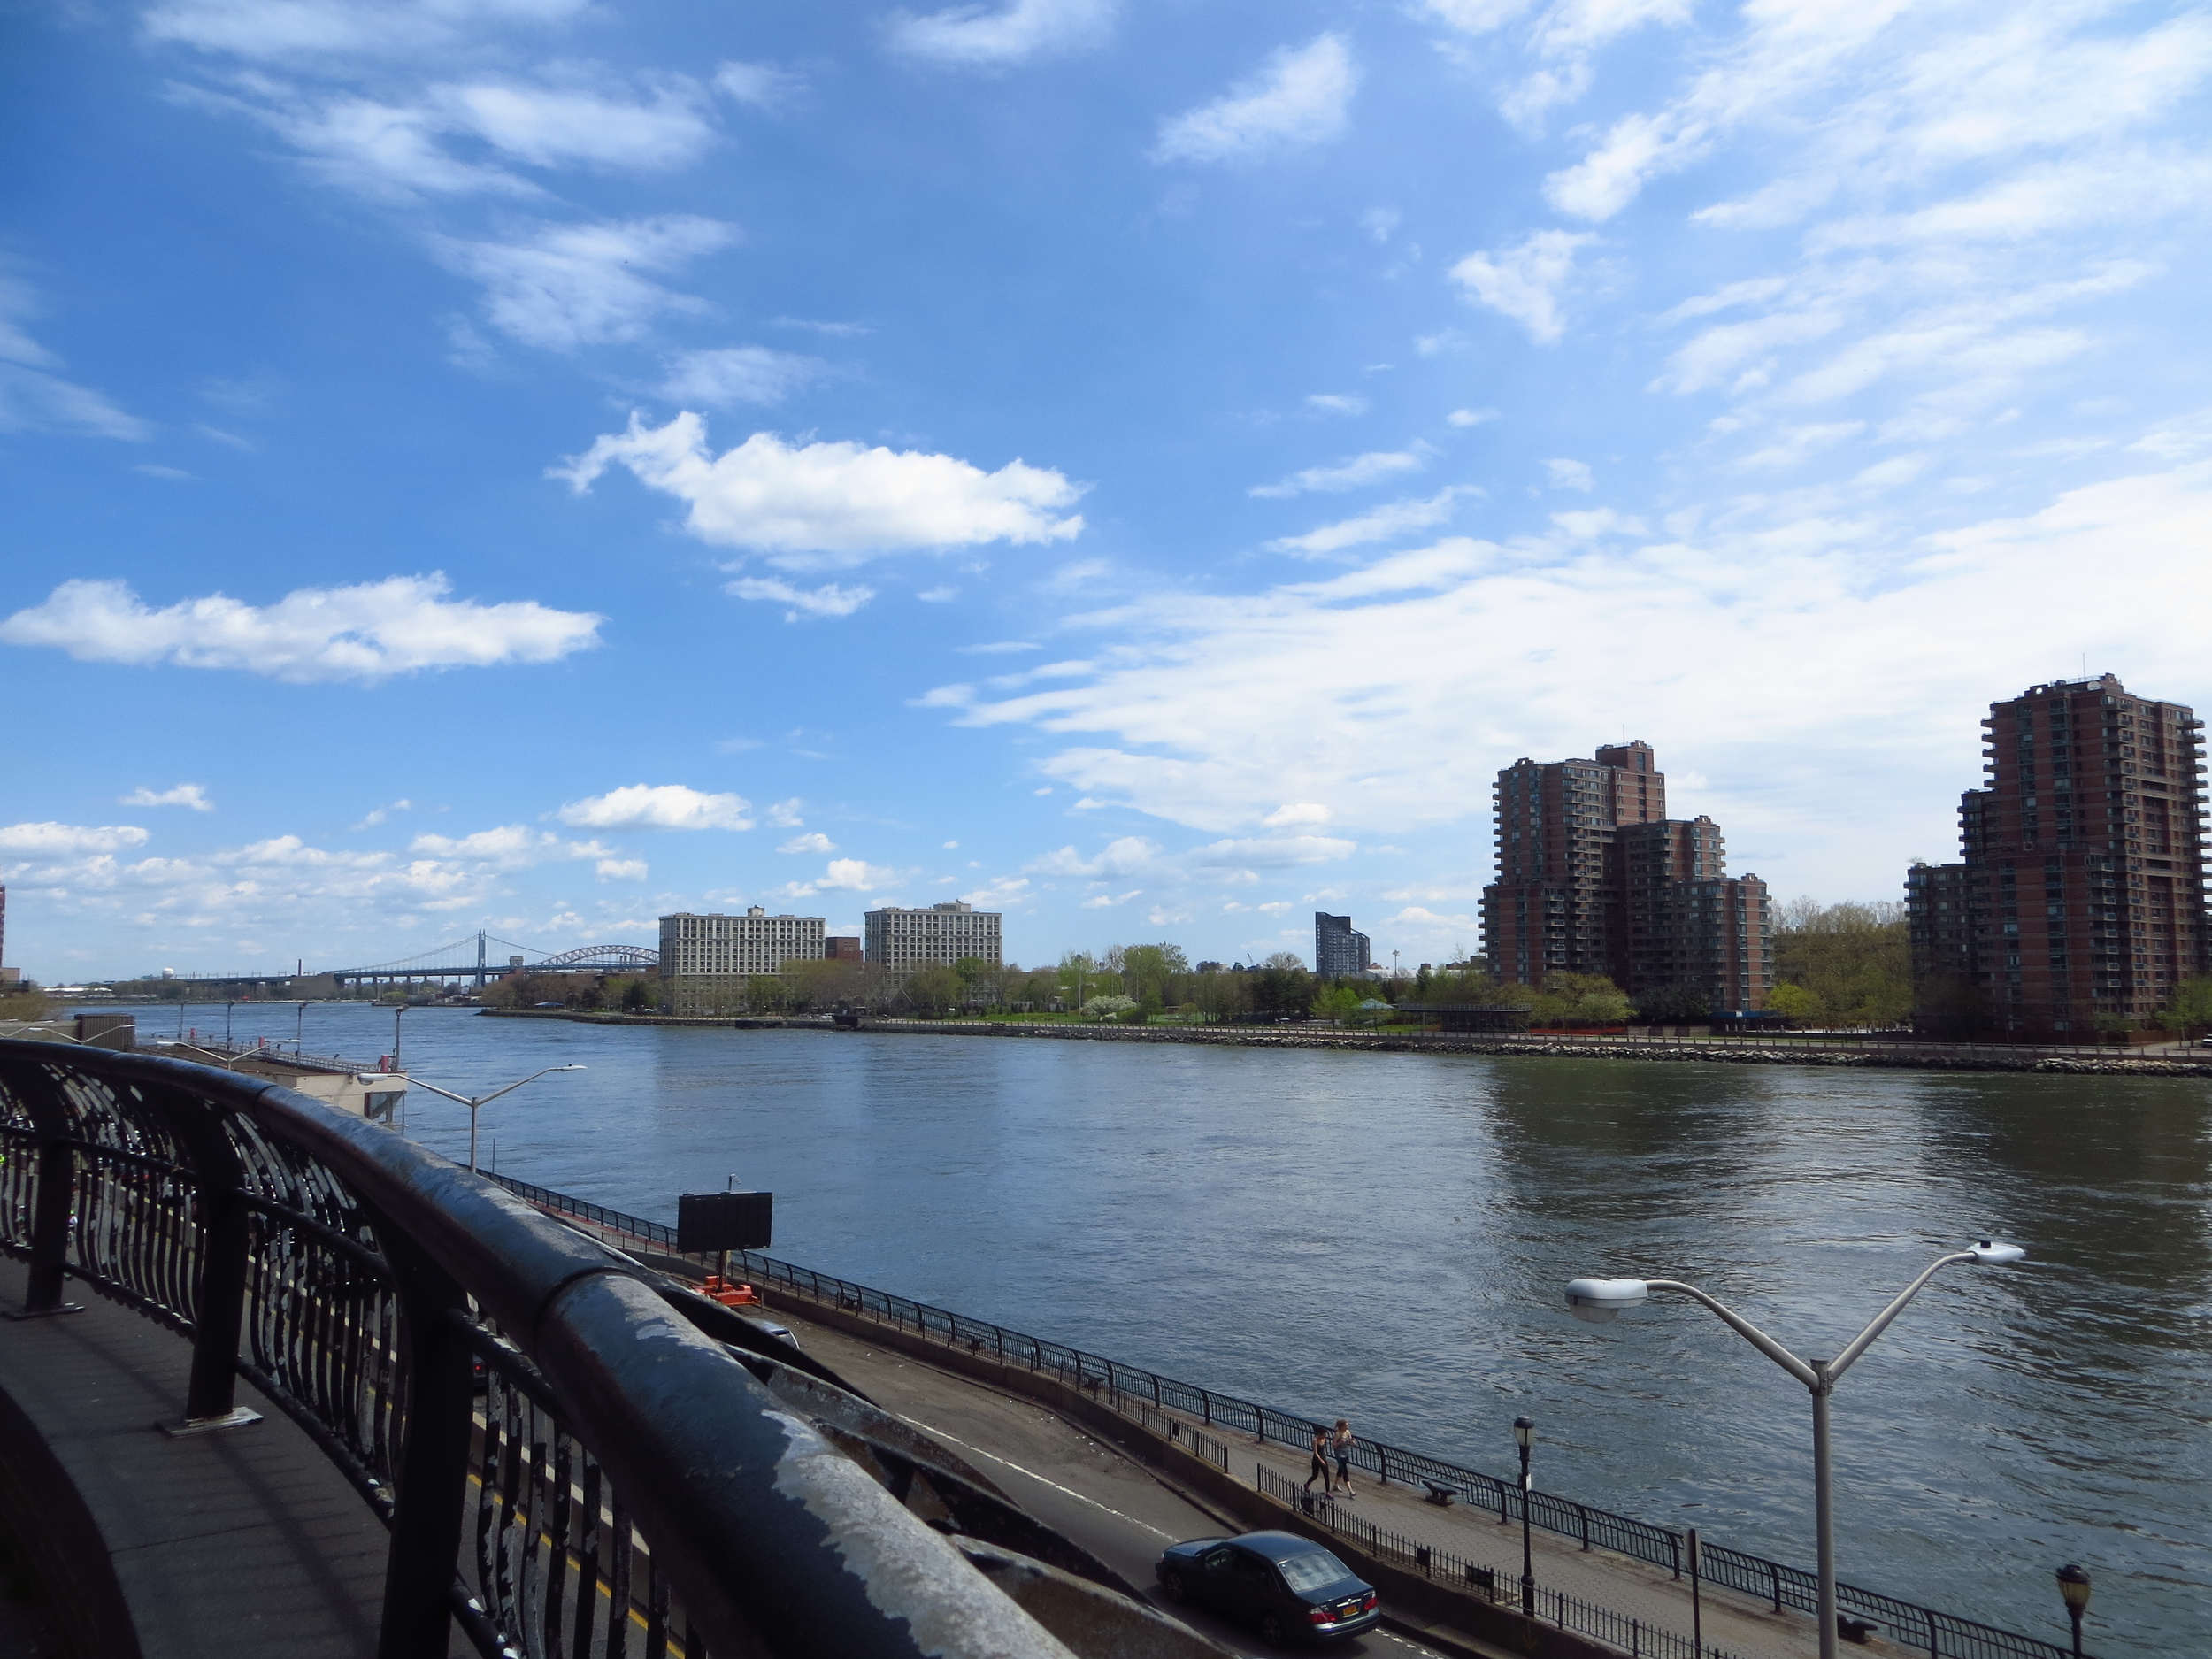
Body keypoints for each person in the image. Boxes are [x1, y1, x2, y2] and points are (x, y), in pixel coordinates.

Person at [1303, 1425, 1333, 1496]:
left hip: (1323, 1458)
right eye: (1323, 1435)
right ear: (1319, 1434)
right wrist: (1321, 1461)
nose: (1324, 1437)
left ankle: (1327, 1492)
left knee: (1326, 1476)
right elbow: (1315, 1452)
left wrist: (1324, 1459)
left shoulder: (1324, 1439)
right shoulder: (1315, 1440)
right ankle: (1307, 1484)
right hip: (1316, 1460)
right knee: (1314, 1476)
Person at [1332, 1419, 1356, 1496]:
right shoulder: (1338, 1434)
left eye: (1347, 1426)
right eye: (1345, 1426)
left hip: (1345, 1454)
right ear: (1341, 1426)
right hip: (1339, 1455)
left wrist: (1352, 1443)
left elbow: (1351, 1441)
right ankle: (1350, 1491)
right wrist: (1340, 1442)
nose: (1347, 1427)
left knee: (1340, 1470)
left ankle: (1335, 1485)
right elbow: (1334, 1445)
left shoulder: (1348, 1432)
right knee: (1345, 1472)